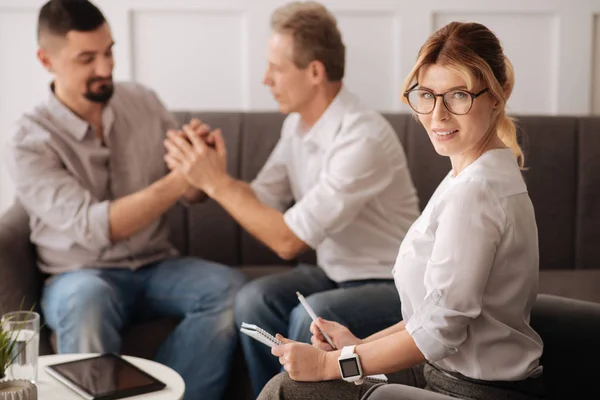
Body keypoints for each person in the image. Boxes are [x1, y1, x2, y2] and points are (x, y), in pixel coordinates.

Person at [255, 21, 547, 400]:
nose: (438, 115)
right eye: (427, 94)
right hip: (445, 373)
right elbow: (431, 315)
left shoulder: (476, 193)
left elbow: (440, 329)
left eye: (458, 95)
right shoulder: (471, 175)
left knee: (287, 390)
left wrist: (331, 364)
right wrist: (355, 347)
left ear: (497, 94)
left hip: (470, 390)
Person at [162, 1, 420, 396]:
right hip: (336, 273)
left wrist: (216, 183)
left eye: (276, 68)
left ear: (314, 71)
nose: (266, 79)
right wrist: (216, 170)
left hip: (390, 282)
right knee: (252, 300)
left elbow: (288, 241)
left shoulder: (361, 138)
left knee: (307, 319)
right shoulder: (296, 127)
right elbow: (262, 199)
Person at [3, 1, 245, 399]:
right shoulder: (28, 140)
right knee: (88, 299)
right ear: (46, 60)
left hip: (156, 264)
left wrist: (203, 168)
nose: (105, 67)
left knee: (233, 290)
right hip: (81, 273)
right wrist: (181, 177)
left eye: (109, 51)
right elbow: (97, 228)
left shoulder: (143, 101)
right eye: (87, 58)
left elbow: (190, 193)